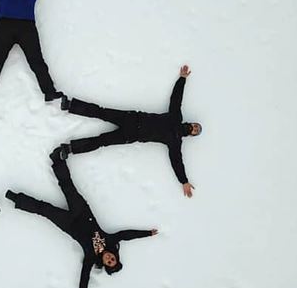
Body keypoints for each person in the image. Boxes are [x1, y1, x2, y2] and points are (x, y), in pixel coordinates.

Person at [5, 149, 157, 288]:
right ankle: (57, 160)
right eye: (113, 259)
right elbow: (126, 234)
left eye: (109, 262)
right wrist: (147, 233)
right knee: (68, 186)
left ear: (105, 264)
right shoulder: (111, 241)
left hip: (69, 224)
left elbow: (84, 276)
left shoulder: (91, 257)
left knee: (44, 209)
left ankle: (16, 198)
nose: (110, 258)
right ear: (115, 255)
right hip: (82, 211)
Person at [58, 65, 202, 198]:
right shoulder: (176, 117)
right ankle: (70, 105)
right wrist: (182, 79)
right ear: (191, 123)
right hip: (132, 118)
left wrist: (184, 181)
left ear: (192, 135)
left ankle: (70, 148)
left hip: (132, 135)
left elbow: (176, 161)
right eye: (196, 126)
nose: (194, 128)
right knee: (101, 112)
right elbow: (176, 99)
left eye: (196, 131)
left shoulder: (176, 141)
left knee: (101, 141)